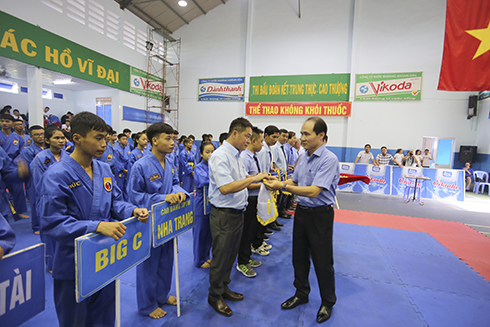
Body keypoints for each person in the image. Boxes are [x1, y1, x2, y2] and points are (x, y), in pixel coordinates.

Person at [38, 111, 149, 327]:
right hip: (72, 260)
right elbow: (52, 222)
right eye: (98, 138)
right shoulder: (56, 175)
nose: (104, 144)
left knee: (105, 315)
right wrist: (96, 225)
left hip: (105, 255)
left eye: (105, 139)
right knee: (75, 320)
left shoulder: (104, 169)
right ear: (77, 138)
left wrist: (132, 210)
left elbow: (116, 200)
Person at [264, 117, 339, 324]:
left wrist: (283, 187)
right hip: (302, 213)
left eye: (307, 134)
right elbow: (295, 181)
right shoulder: (304, 157)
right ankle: (301, 292)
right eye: (302, 133)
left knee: (323, 261)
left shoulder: (329, 159)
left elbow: (314, 191)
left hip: (320, 215)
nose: (301, 138)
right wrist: (278, 181)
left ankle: (327, 301)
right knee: (299, 257)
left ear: (321, 136)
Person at [207, 117, 269, 317]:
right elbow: (226, 188)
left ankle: (224, 287)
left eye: (251, 137)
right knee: (221, 257)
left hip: (237, 213)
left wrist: (260, 179)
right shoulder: (220, 156)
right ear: (235, 133)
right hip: (224, 215)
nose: (248, 140)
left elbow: (241, 182)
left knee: (230, 255)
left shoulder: (236, 156)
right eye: (247, 136)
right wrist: (254, 178)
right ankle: (214, 296)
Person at [126, 122, 187, 319]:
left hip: (168, 221)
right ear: (154, 140)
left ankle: (161, 295)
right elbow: (134, 196)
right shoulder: (140, 165)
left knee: (166, 260)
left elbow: (176, 183)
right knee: (148, 265)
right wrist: (163, 198)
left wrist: (180, 193)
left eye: (173, 139)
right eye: (167, 138)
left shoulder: (169, 162)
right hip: (148, 222)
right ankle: (147, 305)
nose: (172, 143)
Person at [31, 125, 67, 271]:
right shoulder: (40, 159)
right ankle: (51, 264)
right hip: (47, 199)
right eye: (56, 138)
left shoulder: (68, 157)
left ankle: (63, 261)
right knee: (49, 235)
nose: (61, 141)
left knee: (64, 231)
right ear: (47, 140)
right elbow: (39, 183)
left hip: (65, 198)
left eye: (63, 137)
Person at [237, 126, 269, 277]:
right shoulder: (244, 157)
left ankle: (247, 257)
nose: (262, 144)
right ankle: (242, 262)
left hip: (256, 198)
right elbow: (245, 183)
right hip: (248, 199)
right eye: (261, 141)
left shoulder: (252, 157)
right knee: (245, 232)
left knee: (250, 231)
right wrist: (263, 183)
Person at [0, 114, 27, 220]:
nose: (4, 123)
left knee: (18, 187)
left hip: (13, 166)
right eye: (2, 121)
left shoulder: (18, 138)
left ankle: (19, 211)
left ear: (12, 124)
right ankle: (4, 214)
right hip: (2, 165)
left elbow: (21, 152)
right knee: (2, 191)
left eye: (7, 121)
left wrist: (16, 162)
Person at [193, 141, 214, 268]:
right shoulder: (199, 167)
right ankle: (199, 261)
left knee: (209, 234)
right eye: (207, 152)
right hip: (201, 204)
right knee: (200, 234)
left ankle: (206, 256)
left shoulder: (214, 166)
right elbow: (204, 181)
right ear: (201, 154)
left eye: (212, 151)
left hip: (211, 203)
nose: (211, 154)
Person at [20, 125, 45, 233]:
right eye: (37, 134)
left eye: (42, 134)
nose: (40, 137)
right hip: (35, 180)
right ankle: (37, 226)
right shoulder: (28, 151)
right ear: (31, 137)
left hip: (51, 179)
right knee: (36, 203)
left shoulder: (50, 148)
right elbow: (30, 168)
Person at [257, 125, 281, 231]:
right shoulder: (262, 151)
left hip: (267, 181)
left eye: (277, 137)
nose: (276, 140)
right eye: (273, 137)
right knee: (263, 208)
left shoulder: (268, 149)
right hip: (262, 184)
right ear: (266, 135)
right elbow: (262, 170)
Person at [115, 133, 131, 200]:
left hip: (128, 168)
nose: (125, 141)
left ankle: (127, 201)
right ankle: (120, 201)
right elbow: (116, 161)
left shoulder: (128, 148)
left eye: (126, 139)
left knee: (127, 186)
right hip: (120, 170)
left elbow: (129, 159)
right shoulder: (117, 150)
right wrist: (123, 169)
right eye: (123, 139)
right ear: (119, 140)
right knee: (120, 187)